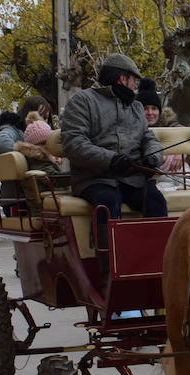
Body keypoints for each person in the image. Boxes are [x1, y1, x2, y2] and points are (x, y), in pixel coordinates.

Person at [60, 53, 167, 252]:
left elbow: (148, 138)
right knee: (107, 201)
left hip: (132, 178)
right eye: (134, 80)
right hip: (95, 179)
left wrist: (153, 157)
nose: (136, 86)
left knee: (155, 199)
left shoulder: (135, 107)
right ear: (122, 78)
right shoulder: (83, 101)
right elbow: (74, 143)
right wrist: (111, 159)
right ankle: (107, 267)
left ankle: (156, 259)